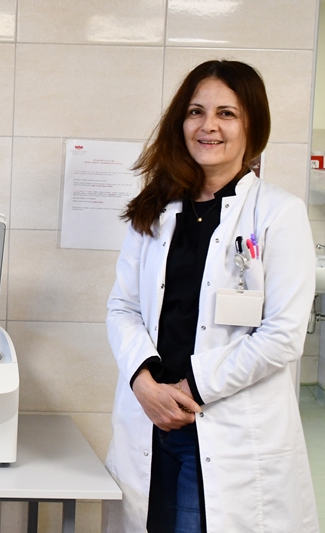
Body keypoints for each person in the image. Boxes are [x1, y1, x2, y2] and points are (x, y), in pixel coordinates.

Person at [104, 59, 318, 533]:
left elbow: (282, 335)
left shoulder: (279, 213)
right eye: (196, 111)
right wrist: (144, 383)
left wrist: (190, 389)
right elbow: (122, 307)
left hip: (225, 425)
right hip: (150, 419)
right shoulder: (155, 210)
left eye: (227, 113)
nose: (208, 126)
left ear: (252, 126)